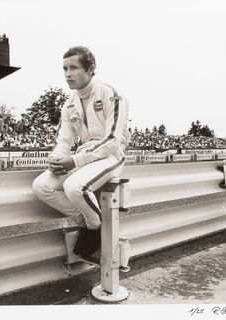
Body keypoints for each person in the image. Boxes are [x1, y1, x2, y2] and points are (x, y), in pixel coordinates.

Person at [32, 46, 131, 258]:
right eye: (65, 69)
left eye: (74, 68)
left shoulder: (112, 94)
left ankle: (95, 229)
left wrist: (75, 160)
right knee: (41, 186)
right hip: (85, 156)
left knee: (74, 186)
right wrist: (56, 159)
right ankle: (89, 224)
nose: (68, 74)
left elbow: (113, 140)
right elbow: (63, 141)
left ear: (91, 69)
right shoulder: (68, 105)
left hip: (112, 155)